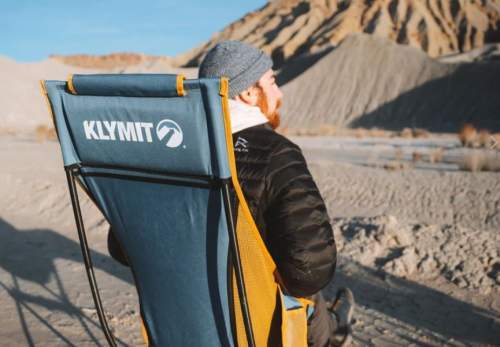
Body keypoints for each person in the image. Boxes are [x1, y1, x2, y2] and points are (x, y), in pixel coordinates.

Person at [107, 40, 354, 346]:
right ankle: (333, 332)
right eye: (273, 82)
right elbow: (310, 273)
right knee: (307, 293)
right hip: (252, 326)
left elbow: (121, 248)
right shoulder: (277, 156)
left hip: (181, 322)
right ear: (248, 92)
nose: (279, 93)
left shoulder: (166, 154)